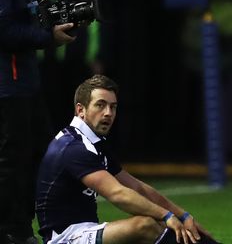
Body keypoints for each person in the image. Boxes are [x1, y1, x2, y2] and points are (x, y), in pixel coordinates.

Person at [35, 75, 217, 244]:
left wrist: (183, 216)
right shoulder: (74, 148)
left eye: (113, 107)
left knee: (155, 221)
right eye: (100, 105)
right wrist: (167, 216)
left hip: (86, 231)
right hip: (66, 238)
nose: (108, 113)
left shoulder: (93, 142)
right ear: (81, 110)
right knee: (144, 225)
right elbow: (118, 194)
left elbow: (137, 188)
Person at [0, 0, 76, 244]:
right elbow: (3, 32)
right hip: (7, 85)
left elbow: (25, 18)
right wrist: (47, 37)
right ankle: (12, 231)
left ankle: (26, 226)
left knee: (39, 158)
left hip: (25, 82)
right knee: (12, 164)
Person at [38, 0, 104, 130]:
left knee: (80, 107)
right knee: (53, 106)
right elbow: (42, 8)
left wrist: (95, 57)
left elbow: (97, 28)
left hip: (80, 61)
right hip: (53, 60)